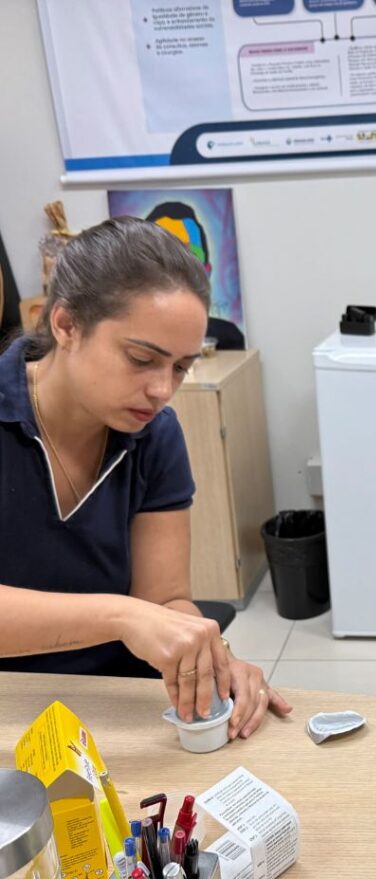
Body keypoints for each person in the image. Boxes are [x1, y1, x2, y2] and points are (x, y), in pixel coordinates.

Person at [0, 216, 290, 739]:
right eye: (141, 359)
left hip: (121, 704)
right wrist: (119, 616)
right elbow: (134, 615)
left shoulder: (155, 435)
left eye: (180, 367)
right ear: (65, 325)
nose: (161, 390)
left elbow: (163, 599)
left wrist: (213, 655)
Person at [145, 201, 245, 350]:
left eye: (190, 256)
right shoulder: (127, 334)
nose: (175, 270)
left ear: (207, 271)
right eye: (161, 257)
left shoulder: (227, 338)